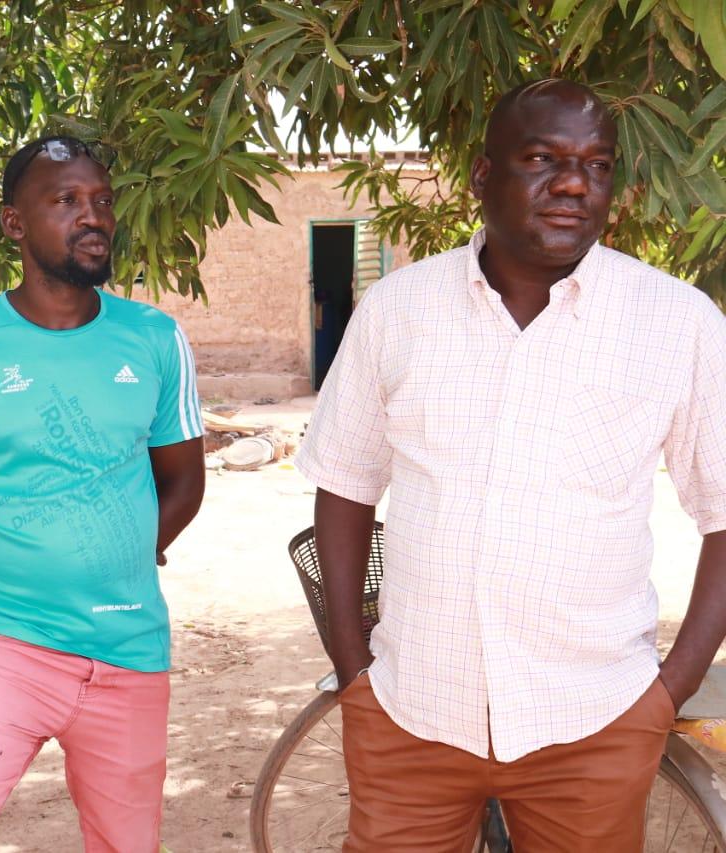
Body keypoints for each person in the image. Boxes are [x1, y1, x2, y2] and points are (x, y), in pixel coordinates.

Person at [298, 78, 726, 852]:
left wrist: (669, 691)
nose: (573, 182)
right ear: (482, 175)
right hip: (411, 714)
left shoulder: (678, 324)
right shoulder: (398, 310)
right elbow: (345, 486)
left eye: (596, 164)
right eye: (542, 158)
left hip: (594, 720)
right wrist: (355, 671)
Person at [0, 135, 206, 851]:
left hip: (128, 649)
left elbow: (183, 479)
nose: (93, 216)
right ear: (13, 223)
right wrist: (18, 540)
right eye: (65, 200)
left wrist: (124, 544)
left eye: (102, 200)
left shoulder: (154, 339)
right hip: (1, 644)